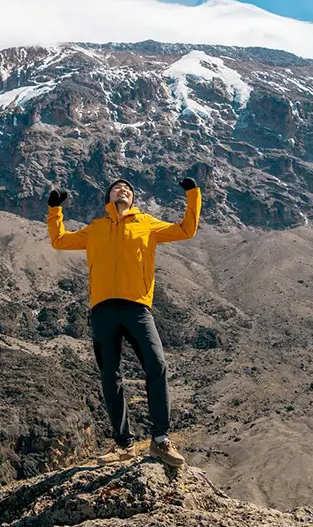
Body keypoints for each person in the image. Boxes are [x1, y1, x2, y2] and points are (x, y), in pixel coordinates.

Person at [46, 175, 201, 468]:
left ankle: (160, 440)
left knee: (156, 365)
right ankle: (123, 444)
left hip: (137, 308)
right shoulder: (96, 229)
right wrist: (55, 210)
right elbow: (60, 240)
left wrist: (193, 194)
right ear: (108, 198)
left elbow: (186, 230)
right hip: (103, 310)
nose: (124, 189)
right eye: (118, 187)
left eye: (129, 188)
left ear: (134, 199)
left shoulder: (147, 224)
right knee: (110, 376)